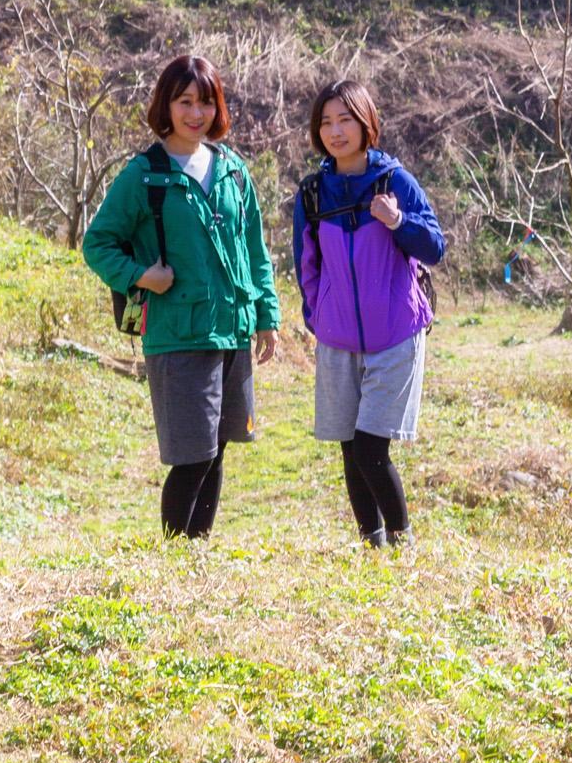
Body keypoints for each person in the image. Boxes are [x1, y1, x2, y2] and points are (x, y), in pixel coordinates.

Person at [83, 52, 279, 541]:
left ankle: (197, 552)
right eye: (185, 101)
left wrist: (266, 315)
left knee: (218, 446)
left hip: (231, 328)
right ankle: (175, 555)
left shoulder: (232, 170)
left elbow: (254, 247)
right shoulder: (144, 175)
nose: (197, 114)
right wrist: (140, 276)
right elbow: (97, 243)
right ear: (165, 106)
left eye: (206, 103)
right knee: (193, 455)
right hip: (176, 333)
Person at [294, 78, 443, 549]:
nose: (336, 131)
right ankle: (371, 544)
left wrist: (396, 220)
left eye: (346, 120)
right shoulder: (314, 193)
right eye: (327, 122)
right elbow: (305, 263)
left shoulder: (394, 181)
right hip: (337, 338)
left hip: (396, 334)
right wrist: (318, 315)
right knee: (349, 446)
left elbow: (434, 247)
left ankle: (402, 543)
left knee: (371, 448)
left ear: (366, 123)